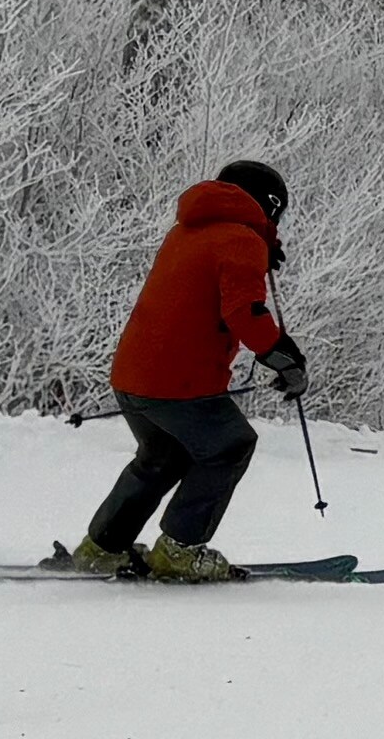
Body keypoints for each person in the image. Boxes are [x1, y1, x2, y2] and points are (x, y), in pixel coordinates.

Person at [70, 160, 311, 581]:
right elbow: (244, 313)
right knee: (230, 446)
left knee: (161, 458)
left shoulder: (185, 230)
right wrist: (283, 358)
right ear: (270, 205)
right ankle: (179, 551)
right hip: (180, 384)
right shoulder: (240, 239)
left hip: (132, 376)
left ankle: (102, 547)